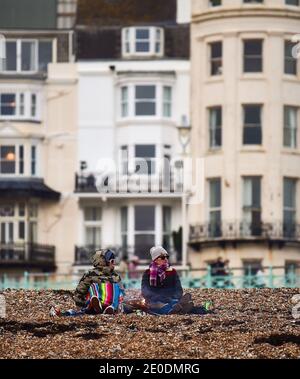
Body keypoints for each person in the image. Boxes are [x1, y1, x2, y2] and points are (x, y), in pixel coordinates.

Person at [140, 246, 213, 315]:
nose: (165, 259)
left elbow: (178, 289)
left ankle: (178, 307)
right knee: (162, 305)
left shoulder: (172, 272)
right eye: (162, 257)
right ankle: (178, 308)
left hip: (171, 298)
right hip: (156, 300)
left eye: (167, 256)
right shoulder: (148, 273)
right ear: (155, 259)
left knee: (176, 301)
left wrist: (175, 297)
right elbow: (145, 291)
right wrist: (159, 297)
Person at [50, 249, 125, 316]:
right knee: (93, 286)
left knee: (116, 288)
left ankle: (110, 308)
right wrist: (80, 304)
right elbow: (80, 291)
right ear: (104, 262)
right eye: (112, 261)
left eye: (114, 261)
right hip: (92, 306)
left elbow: (122, 293)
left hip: (110, 304)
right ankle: (96, 303)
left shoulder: (115, 276)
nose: (114, 263)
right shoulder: (91, 274)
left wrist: (120, 304)